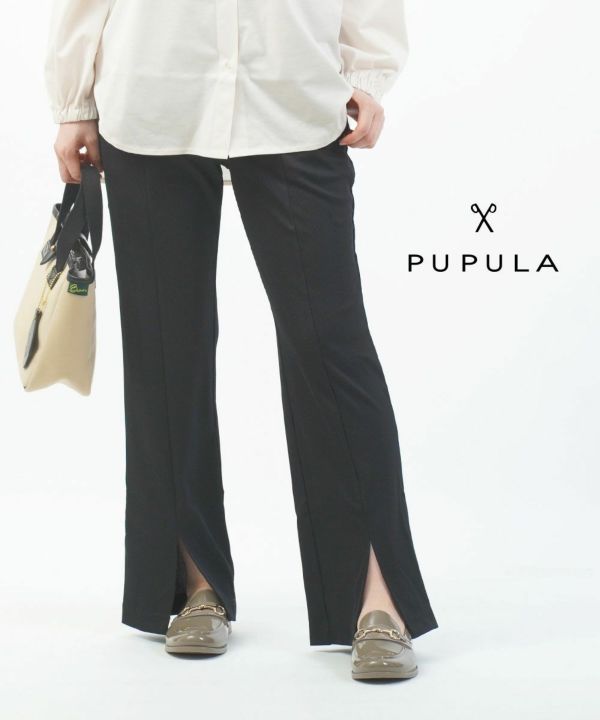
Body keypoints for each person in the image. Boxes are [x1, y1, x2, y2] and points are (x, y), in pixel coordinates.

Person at [45, 0, 438, 681]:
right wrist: (74, 99)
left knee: (332, 347)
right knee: (167, 353)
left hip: (291, 89)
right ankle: (194, 585)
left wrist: (368, 71)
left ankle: (378, 596)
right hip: (154, 87)